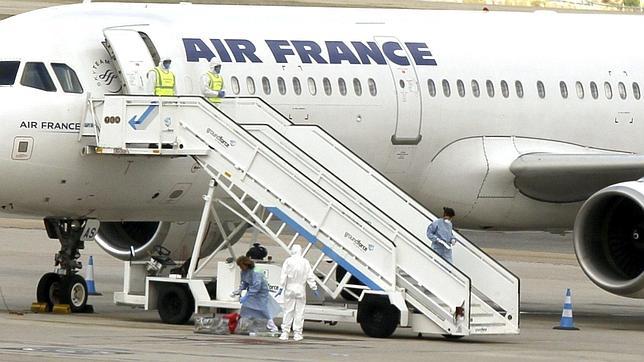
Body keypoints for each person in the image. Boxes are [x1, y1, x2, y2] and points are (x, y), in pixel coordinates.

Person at [276, 244, 319, 341]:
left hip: (289, 288)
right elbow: (310, 276)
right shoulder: (305, 262)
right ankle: (297, 334)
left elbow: (283, 276)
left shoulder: (288, 261)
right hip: (300, 289)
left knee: (288, 311)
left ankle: (285, 333)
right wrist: (314, 288)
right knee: (299, 312)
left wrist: (280, 288)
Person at [231, 256, 280, 333]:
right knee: (246, 308)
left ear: (246, 264)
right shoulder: (243, 272)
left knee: (263, 309)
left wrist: (246, 296)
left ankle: (271, 324)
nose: (240, 268)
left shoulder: (256, 272)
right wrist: (240, 290)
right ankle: (243, 325)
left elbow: (256, 287)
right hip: (251, 292)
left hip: (261, 292)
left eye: (241, 266)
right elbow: (245, 282)